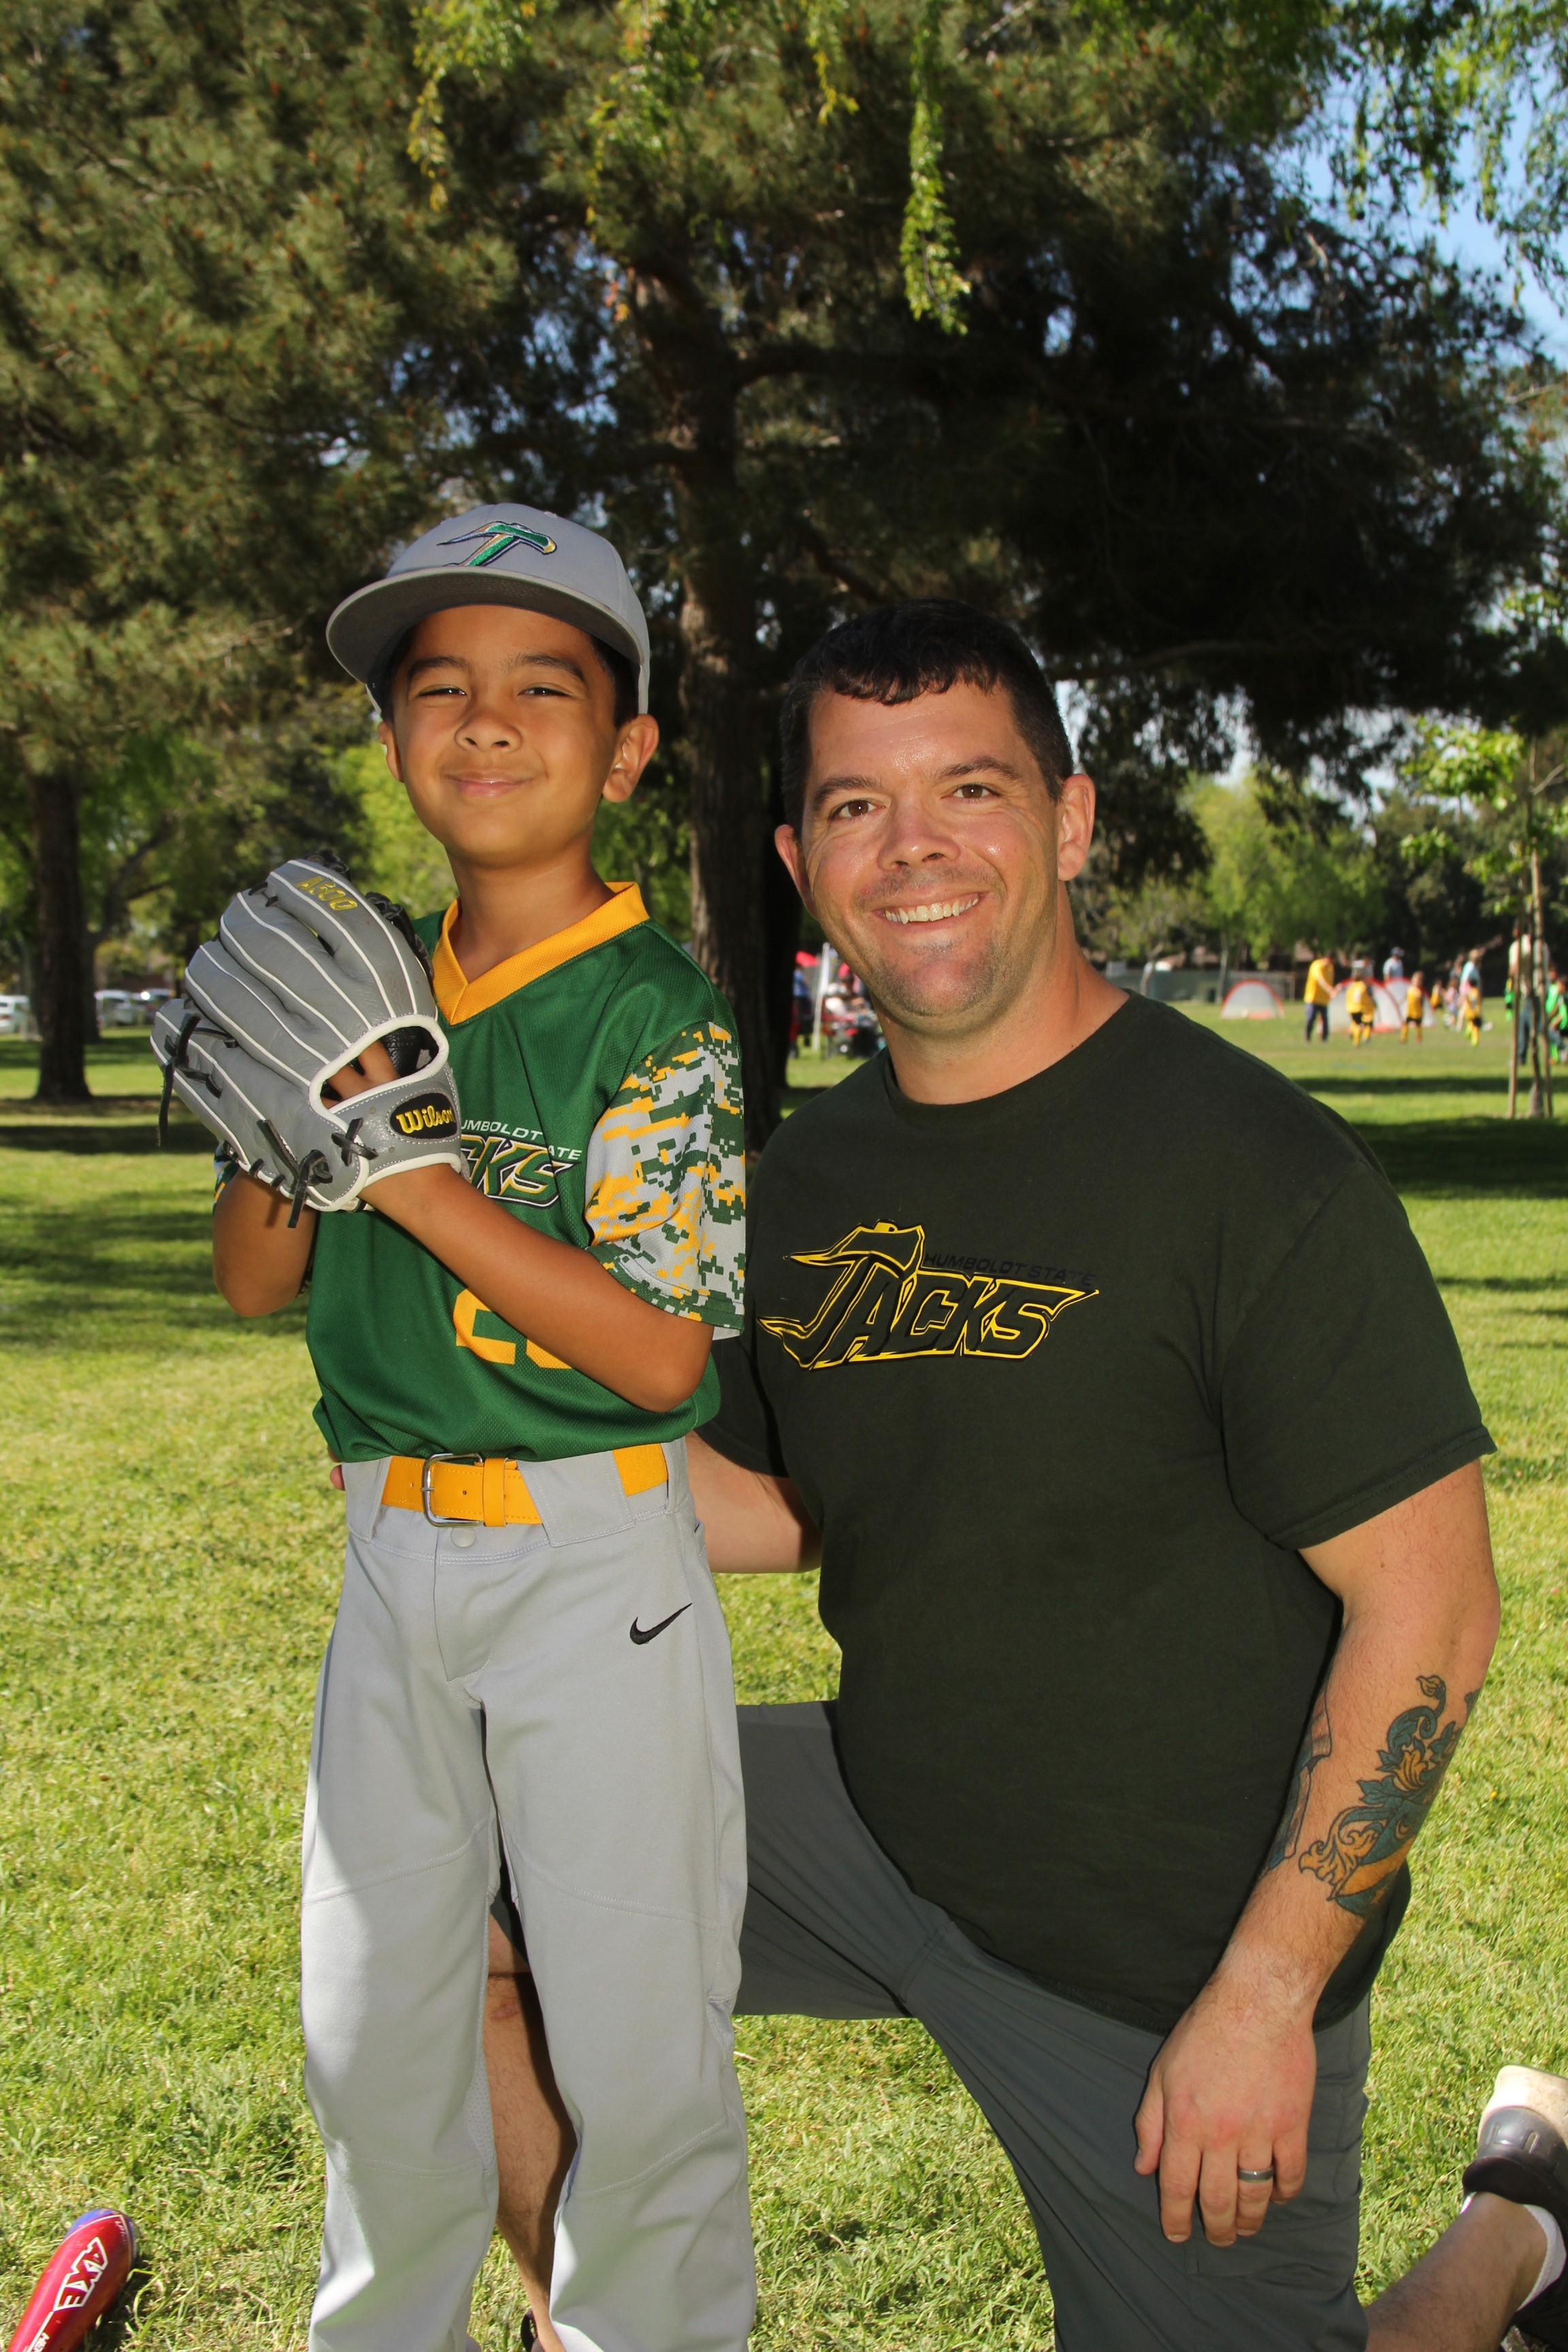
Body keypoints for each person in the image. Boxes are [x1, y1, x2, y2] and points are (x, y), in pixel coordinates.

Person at [482, 601, 1518, 2351]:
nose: (916, 847)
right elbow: (789, 1502)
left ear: (1071, 818)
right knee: (465, 1868)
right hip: (879, 1822)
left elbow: (1433, 1612)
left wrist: (1266, 1993)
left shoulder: (1258, 1174)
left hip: (1161, 1965)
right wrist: (483, 1425)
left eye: (968, 788)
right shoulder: (812, 1176)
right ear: (801, 862)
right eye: (858, 805)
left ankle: (1512, 2228)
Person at [212, 506, 754, 2352]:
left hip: (596, 1565)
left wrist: (415, 1174)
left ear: (629, 746)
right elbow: (256, 1281)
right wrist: (292, 1131)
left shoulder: (655, 1009)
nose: (489, 720)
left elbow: (664, 1359)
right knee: (370, 2034)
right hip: (389, 1560)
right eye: (438, 688)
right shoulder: (364, 990)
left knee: (635, 2049)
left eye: (546, 685)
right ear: (390, 742)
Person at [1303, 947, 1335, 1041]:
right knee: (1311, 1017)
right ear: (1328, 958)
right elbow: (1320, 980)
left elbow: (1330, 982)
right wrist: (1329, 990)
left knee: (1325, 1019)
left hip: (1324, 999)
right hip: (1313, 998)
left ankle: (1324, 1039)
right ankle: (1307, 1037)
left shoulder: (1330, 969)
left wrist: (1330, 993)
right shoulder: (1317, 966)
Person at [1347, 968, 1377, 1045]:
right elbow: (1369, 997)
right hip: (1362, 1008)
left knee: (1356, 1023)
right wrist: (1374, 1004)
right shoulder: (1364, 986)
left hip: (1352, 1009)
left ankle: (1355, 1038)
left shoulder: (1351, 987)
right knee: (1367, 1023)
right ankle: (1365, 1038)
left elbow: (1348, 998)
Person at [1401, 970, 1426, 1044]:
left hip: (1417, 1013)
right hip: (1410, 1011)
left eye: (1418, 981)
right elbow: (1405, 997)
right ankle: (1403, 1038)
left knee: (1418, 1027)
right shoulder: (1410, 989)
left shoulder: (1420, 992)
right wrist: (1399, 1003)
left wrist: (1419, 999)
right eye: (1415, 980)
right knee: (1405, 1025)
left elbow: (1422, 1001)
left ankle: (1419, 1038)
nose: (1416, 982)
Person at [1464, 969, 1485, 1045]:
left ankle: (1468, 1031)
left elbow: (1467, 1000)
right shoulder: (1476, 992)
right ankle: (1475, 1041)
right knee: (1476, 1026)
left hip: (1469, 1012)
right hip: (1476, 1012)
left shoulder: (1469, 992)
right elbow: (1477, 1001)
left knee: (1471, 1023)